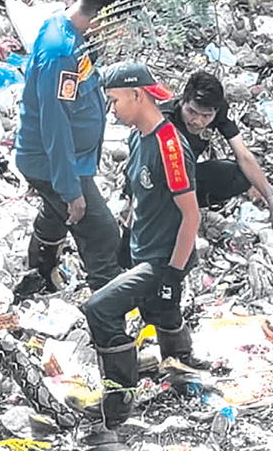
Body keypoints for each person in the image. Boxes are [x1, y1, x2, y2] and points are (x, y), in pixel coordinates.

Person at [83, 62, 207, 429]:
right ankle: (181, 366)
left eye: (114, 100)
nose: (112, 110)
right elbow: (139, 197)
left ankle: (118, 400)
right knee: (159, 311)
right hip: (142, 248)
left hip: (162, 258)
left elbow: (191, 215)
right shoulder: (138, 137)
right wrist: (127, 238)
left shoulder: (170, 146)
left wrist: (172, 274)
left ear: (137, 95)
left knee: (99, 309)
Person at [14, 0, 132, 296]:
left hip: (65, 159)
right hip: (51, 163)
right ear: (102, 17)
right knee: (102, 234)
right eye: (118, 24)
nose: (119, 33)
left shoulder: (70, 31)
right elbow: (55, 125)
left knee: (57, 214)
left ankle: (39, 277)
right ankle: (107, 313)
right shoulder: (61, 53)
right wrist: (70, 189)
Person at [161, 71, 273, 218]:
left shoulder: (220, 110)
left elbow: (243, 155)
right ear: (182, 102)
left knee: (241, 176)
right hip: (162, 182)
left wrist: (271, 197)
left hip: (189, 175)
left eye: (206, 116)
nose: (197, 121)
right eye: (192, 112)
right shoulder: (163, 121)